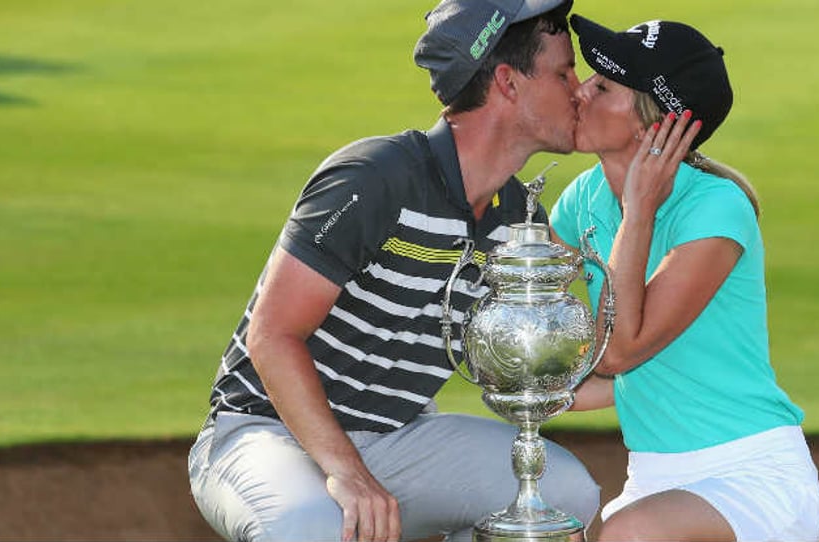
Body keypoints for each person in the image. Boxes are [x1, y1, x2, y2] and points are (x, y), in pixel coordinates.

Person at [186, 2, 600, 541]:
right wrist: (347, 471)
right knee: (308, 525)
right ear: (508, 82)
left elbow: (538, 376)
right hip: (264, 431)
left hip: (396, 440)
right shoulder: (375, 176)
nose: (579, 89)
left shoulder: (521, 221)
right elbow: (272, 335)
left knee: (564, 494)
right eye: (563, 71)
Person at [549, 14, 819, 542]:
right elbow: (576, 359)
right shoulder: (579, 203)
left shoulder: (717, 210)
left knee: (629, 535)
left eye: (604, 85)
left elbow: (619, 351)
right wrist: (533, 389)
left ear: (655, 124)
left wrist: (638, 212)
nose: (580, 92)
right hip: (652, 477)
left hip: (750, 472)